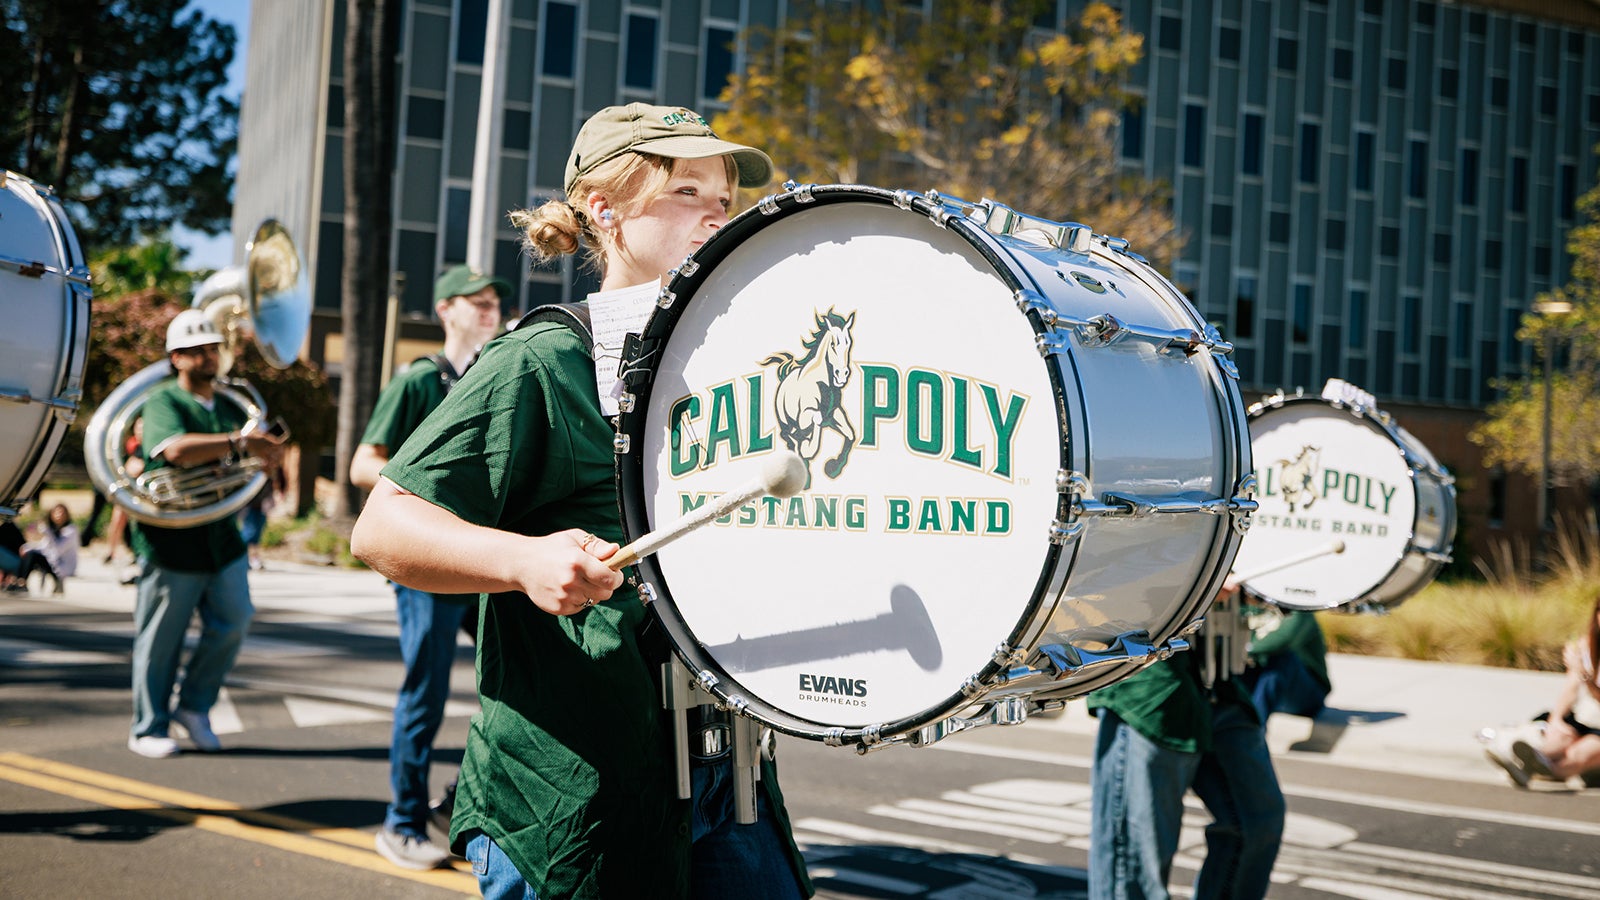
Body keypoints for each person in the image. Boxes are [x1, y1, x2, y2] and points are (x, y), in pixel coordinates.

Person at [352, 103, 812, 898]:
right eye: (686, 191)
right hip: (572, 789)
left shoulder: (739, 366)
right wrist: (523, 559)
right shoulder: (545, 356)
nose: (716, 213)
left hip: (725, 773)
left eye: (724, 199)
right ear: (605, 209)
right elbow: (382, 524)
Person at [351, 262, 509, 870]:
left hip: (477, 559)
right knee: (427, 694)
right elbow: (365, 465)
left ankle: (455, 806)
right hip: (426, 564)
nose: (489, 307)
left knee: (513, 682)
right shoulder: (421, 379)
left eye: (493, 299)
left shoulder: (490, 373)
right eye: (475, 300)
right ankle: (401, 823)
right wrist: (426, 493)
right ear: (445, 309)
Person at [125, 308, 286, 759]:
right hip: (171, 539)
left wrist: (264, 454)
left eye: (212, 349)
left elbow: (250, 454)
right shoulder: (163, 401)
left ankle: (194, 707)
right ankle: (148, 726)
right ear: (176, 357)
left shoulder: (233, 403)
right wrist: (240, 444)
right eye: (196, 351)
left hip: (221, 537)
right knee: (160, 640)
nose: (208, 357)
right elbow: (173, 449)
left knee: (235, 621)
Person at [1086, 582, 1286, 900]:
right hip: (1150, 672)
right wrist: (1197, 579)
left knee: (1258, 820)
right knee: (1138, 858)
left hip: (1217, 670)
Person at [1485, 594, 1600, 788]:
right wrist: (1557, 719)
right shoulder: (1586, 646)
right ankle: (1522, 761)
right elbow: (1571, 687)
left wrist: (1586, 679)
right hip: (1587, 719)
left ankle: (1540, 773)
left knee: (1577, 754)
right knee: (1559, 736)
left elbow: (1587, 685)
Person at [1237, 603, 1331, 724]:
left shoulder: (1298, 603)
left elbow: (1283, 640)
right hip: (1263, 682)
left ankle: (1253, 732)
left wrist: (1242, 650)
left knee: (1282, 660)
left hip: (1308, 694)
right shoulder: (1242, 599)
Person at [23, 503, 79, 594]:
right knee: (30, 554)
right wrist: (26, 547)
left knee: (34, 556)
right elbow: (43, 546)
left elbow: (57, 550)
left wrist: (48, 533)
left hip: (64, 566)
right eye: (56, 512)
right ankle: (21, 581)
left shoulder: (71, 530)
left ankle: (22, 582)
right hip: (53, 563)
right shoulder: (53, 530)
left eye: (62, 513)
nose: (59, 515)